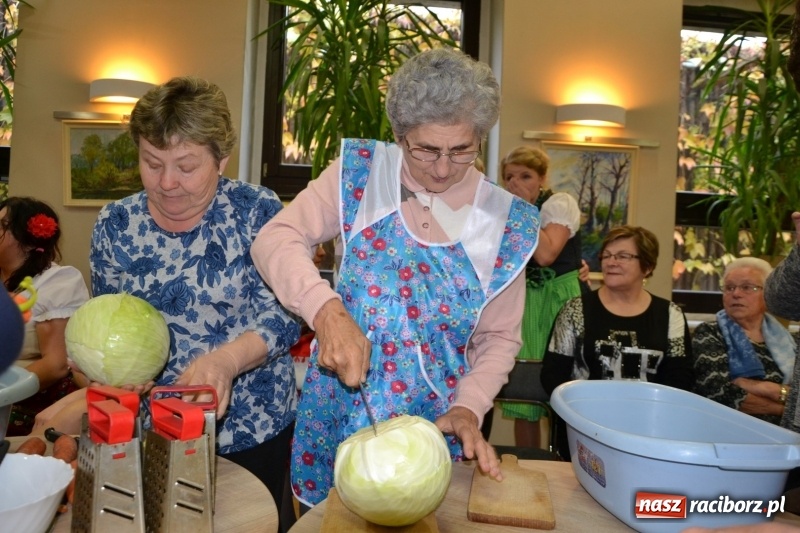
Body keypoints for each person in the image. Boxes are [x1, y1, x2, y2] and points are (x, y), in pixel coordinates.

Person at [251, 47, 540, 509]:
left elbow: (500, 338)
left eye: (461, 150)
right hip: (339, 417)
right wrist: (326, 313)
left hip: (433, 436)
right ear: (400, 135)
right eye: (426, 149)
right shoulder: (361, 174)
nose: (443, 168)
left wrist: (469, 406)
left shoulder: (506, 223)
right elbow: (276, 238)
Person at [86, 76, 299, 521]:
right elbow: (106, 319)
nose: (166, 182)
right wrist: (103, 368)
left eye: (186, 166)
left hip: (249, 427)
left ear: (221, 160)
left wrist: (225, 361)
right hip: (149, 432)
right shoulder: (115, 224)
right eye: (151, 162)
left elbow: (285, 316)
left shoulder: (256, 211)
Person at [541, 225, 694, 458]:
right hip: (584, 431)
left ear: (648, 266)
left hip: (650, 433)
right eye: (607, 256)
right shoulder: (575, 310)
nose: (611, 262)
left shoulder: (670, 314)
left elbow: (680, 379)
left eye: (623, 256)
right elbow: (553, 375)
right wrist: (585, 414)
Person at [498, 146, 583, 449]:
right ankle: (527, 466)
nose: (515, 183)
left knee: (565, 388)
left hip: (560, 299)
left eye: (525, 175)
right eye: (509, 177)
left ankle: (566, 465)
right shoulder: (505, 211)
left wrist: (522, 208)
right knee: (525, 393)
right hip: (525, 301)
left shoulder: (559, 203)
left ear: (542, 178)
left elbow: (547, 254)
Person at [0, 197, 89, 436]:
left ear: (29, 240)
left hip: (29, 401)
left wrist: (3, 391)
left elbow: (56, 365)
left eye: (2, 225)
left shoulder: (56, 281)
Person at [692, 257, 796, 425]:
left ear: (767, 293)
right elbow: (718, 392)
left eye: (747, 287)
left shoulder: (790, 341)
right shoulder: (710, 333)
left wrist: (764, 388)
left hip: (785, 439)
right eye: (729, 287)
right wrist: (785, 409)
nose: (736, 294)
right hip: (727, 431)